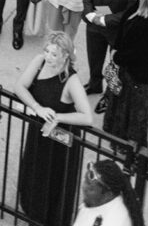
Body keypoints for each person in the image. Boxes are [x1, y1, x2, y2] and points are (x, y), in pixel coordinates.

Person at [15, 33, 93, 226]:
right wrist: (37, 108)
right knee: (35, 173)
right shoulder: (39, 62)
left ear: (65, 55)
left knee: (54, 181)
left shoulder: (71, 81)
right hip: (40, 131)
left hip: (61, 140)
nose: (48, 57)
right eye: (47, 51)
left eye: (54, 54)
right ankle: (32, 213)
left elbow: (87, 116)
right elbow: (20, 86)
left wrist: (57, 117)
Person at [102, 0, 148, 146]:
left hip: (138, 77)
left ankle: (128, 147)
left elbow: (137, 52)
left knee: (132, 112)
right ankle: (116, 138)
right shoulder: (136, 7)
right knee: (120, 105)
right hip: (127, 70)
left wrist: (116, 56)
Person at [81, 0, 143, 98]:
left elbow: (129, 12)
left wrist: (103, 19)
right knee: (93, 57)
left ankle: (109, 97)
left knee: (114, 66)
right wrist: (89, 12)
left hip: (116, 30)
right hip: (93, 20)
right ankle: (94, 85)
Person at [72, 160, 145, 226]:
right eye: (85, 181)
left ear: (108, 195)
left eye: (91, 189)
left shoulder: (115, 221)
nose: (84, 188)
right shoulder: (94, 202)